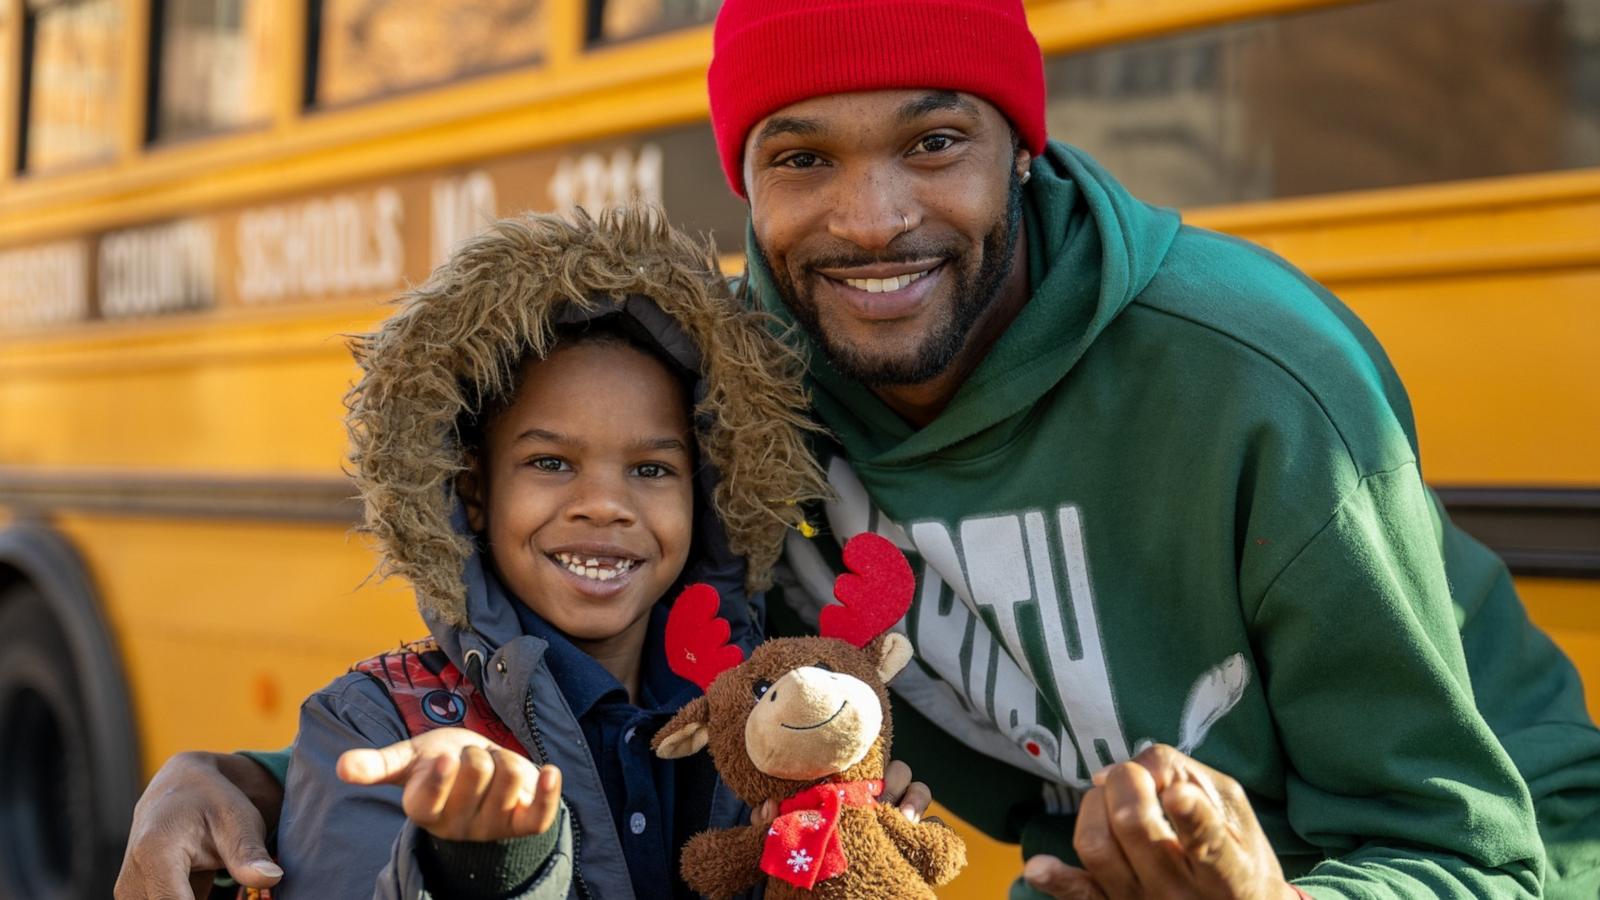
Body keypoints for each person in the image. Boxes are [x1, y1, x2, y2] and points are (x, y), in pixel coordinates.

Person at [117, 1, 1600, 898]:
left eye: (934, 143)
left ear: (1022, 145)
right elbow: (644, 697)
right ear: (745, 184)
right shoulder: (741, 399)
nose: (873, 219)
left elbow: (1476, 844)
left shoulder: (1264, 385)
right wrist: (251, 778)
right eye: (802, 158)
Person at [276, 207, 842, 898]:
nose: (603, 504)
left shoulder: (776, 719)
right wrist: (476, 865)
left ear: (711, 497)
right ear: (472, 490)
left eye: (652, 470)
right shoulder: (371, 725)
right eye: (549, 463)